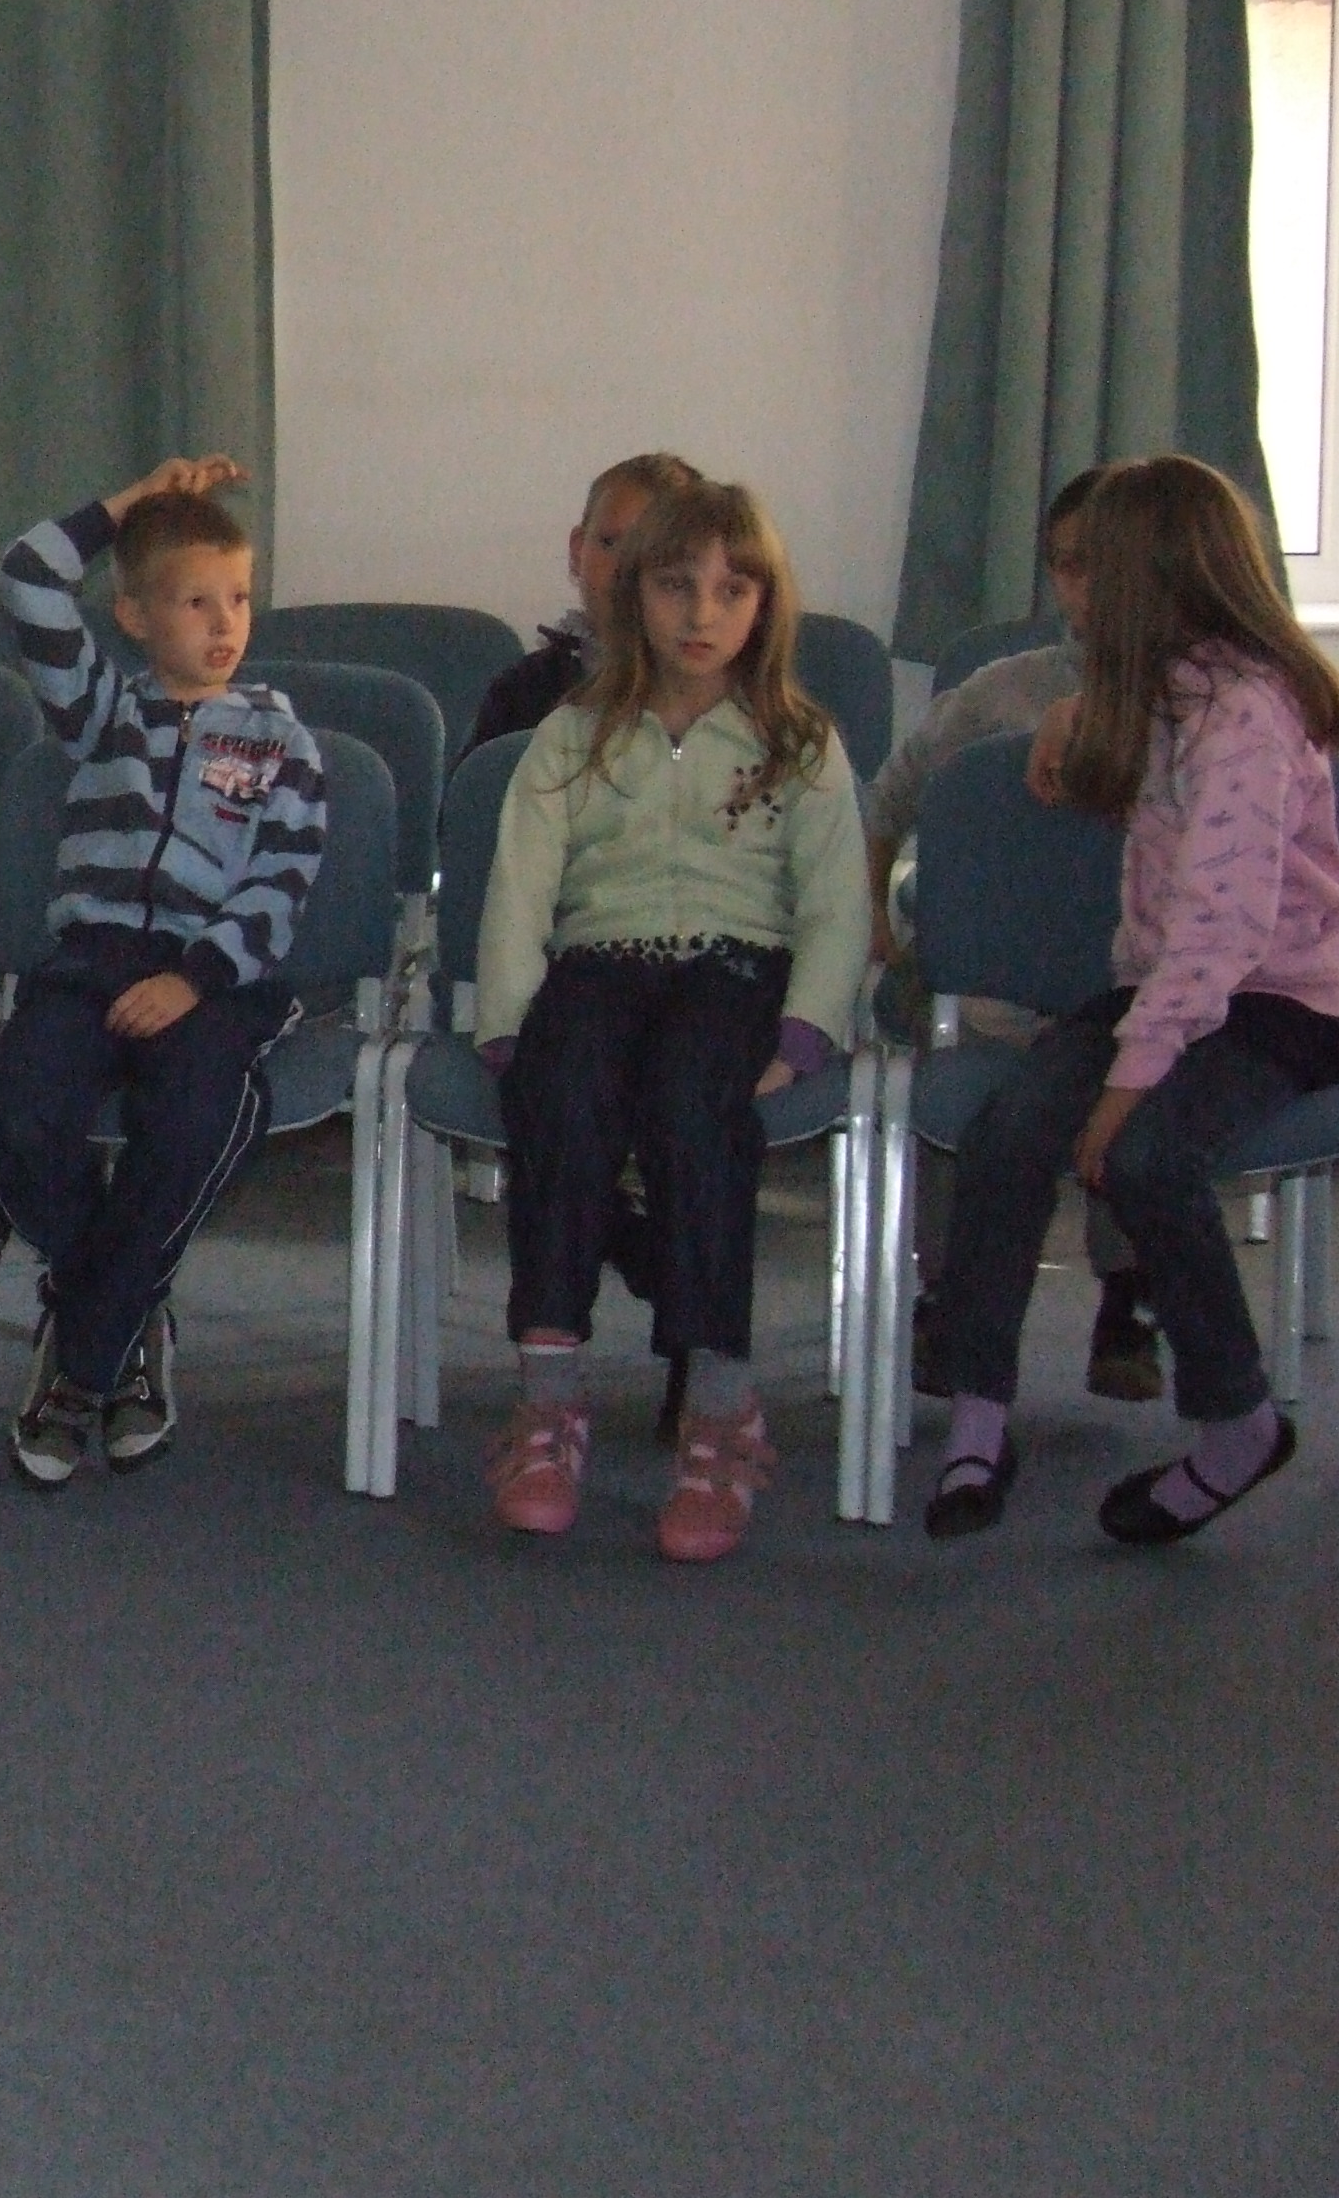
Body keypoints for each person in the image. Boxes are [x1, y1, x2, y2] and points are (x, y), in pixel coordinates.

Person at [919, 456, 1339, 1545]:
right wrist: (1070, 711)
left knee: (1146, 1158)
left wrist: (1122, 1092)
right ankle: (979, 1413)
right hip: (1163, 983)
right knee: (1007, 1132)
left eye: (1095, 570)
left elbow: (1220, 932)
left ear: (1158, 579)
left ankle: (1237, 1422)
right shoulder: (1160, 687)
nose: (1075, 593)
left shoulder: (1246, 713)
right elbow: (1172, 946)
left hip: (1288, 997)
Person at [476, 478, 869, 1562]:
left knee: (695, 1108)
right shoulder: (572, 735)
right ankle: (547, 1397)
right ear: (631, 597)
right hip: (600, 963)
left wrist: (806, 1026)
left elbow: (838, 902)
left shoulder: (799, 740)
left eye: (731, 591)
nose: (701, 614)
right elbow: (520, 887)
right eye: (674, 587)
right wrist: (507, 1022)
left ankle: (719, 1412)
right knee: (559, 1096)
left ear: (764, 606)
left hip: (733, 971)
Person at [0, 464, 325, 1489]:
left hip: (212, 974)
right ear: (132, 615)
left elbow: (279, 884)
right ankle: (127, 1319)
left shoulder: (279, 738)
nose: (224, 624)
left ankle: (80, 1358)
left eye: (238, 598)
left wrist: (196, 978)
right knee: (16, 1107)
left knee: (196, 1120)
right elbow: (28, 572)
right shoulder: (100, 714)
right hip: (91, 961)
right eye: (193, 601)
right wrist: (134, 503)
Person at [867, 470, 1156, 1400]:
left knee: (1142, 1048)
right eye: (1068, 566)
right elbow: (882, 807)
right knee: (951, 1040)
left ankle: (1130, 1295)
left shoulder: (1208, 703)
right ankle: (947, 1294)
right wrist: (874, 919)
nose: (1088, 587)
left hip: (1136, 989)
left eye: (1109, 563)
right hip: (993, 994)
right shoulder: (999, 697)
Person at [461, 450, 705, 758]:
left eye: (655, 551)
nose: (624, 568)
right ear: (578, 551)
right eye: (609, 543)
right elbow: (478, 783)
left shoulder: (721, 697)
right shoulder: (525, 690)